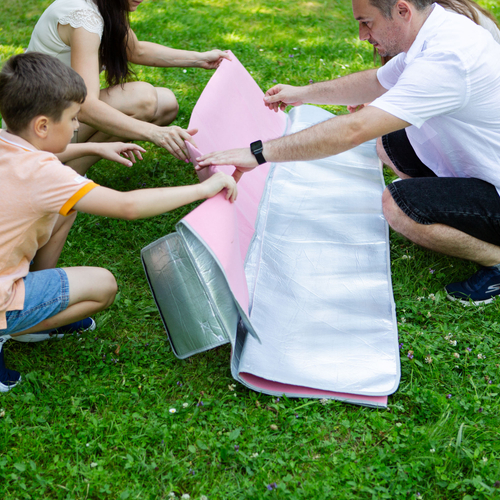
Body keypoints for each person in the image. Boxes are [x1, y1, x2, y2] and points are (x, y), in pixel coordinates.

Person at [196, 0, 500, 306]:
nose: (361, 35)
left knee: (399, 206)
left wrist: (260, 153)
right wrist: (302, 93)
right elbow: (376, 82)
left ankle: (495, 260)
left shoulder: (449, 57)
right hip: (483, 167)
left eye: (366, 22)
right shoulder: (432, 30)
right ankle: (450, 215)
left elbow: (353, 130)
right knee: (390, 140)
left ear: (402, 10)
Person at [0, 52, 237, 392]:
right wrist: (203, 188)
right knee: (103, 286)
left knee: (67, 209)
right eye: (72, 118)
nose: (79, 126)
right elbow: (127, 206)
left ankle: (30, 306)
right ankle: (14, 327)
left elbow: (39, 154)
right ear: (42, 126)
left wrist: (98, 148)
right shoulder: (44, 175)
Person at [27, 0, 231, 175]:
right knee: (143, 98)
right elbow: (85, 105)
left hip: (61, 113)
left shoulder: (106, 6)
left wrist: (200, 59)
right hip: (38, 128)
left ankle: (70, 167)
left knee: (166, 103)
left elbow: (137, 51)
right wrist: (154, 133)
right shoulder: (83, 18)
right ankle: (66, 175)